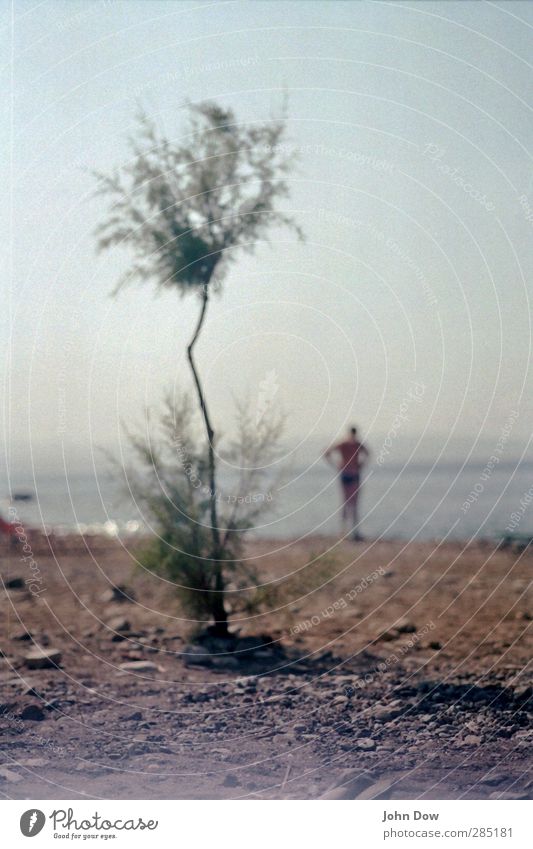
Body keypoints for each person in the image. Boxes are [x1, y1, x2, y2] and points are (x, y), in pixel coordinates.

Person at [324, 426, 369, 540]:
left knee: (346, 502)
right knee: (353, 503)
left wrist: (336, 464)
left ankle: (345, 532)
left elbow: (327, 452)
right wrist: (360, 464)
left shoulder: (345, 443)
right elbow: (368, 454)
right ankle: (352, 532)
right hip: (352, 473)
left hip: (346, 473)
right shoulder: (356, 444)